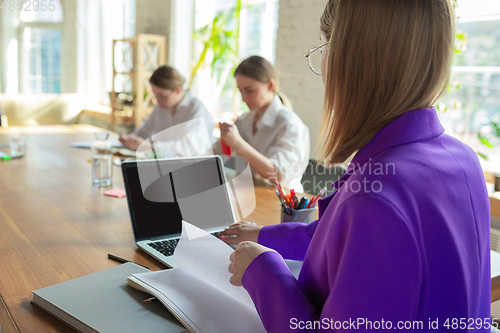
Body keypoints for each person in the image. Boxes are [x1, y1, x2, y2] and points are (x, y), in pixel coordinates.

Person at [219, 0, 490, 332]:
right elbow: (341, 241)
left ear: (350, 58)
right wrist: (263, 235)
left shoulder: (377, 198)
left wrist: (264, 271)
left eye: (325, 44)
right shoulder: (462, 158)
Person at [218, 56, 309, 190]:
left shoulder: (290, 125)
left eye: (249, 91)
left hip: (282, 202)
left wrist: (238, 143)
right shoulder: (244, 120)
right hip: (251, 194)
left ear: (270, 85)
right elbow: (217, 152)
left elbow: (277, 175)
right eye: (240, 91)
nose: (243, 98)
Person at [119, 65, 215, 156]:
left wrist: (149, 147)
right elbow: (145, 131)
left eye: (162, 96)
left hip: (196, 165)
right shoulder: (161, 107)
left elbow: (189, 148)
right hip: (167, 163)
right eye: (155, 95)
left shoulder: (195, 107)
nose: (158, 100)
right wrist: (130, 139)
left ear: (177, 90)